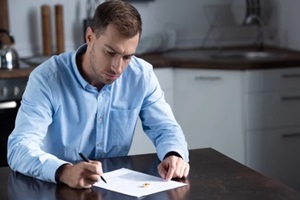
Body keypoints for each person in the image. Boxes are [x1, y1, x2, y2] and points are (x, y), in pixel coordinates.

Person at [7, 0, 189, 189]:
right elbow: (19, 148)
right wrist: (64, 170)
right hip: (57, 187)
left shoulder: (141, 76)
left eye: (127, 57)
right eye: (110, 52)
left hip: (115, 188)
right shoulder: (46, 78)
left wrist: (173, 155)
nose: (117, 68)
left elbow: (165, 128)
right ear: (90, 37)